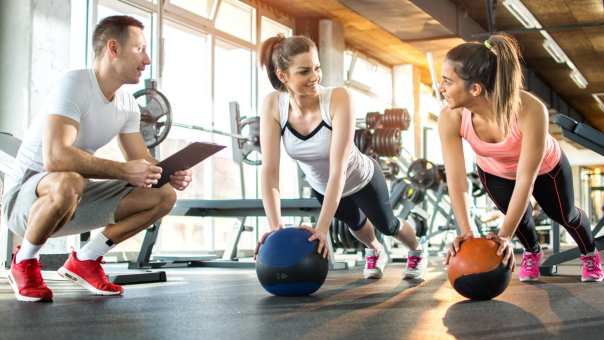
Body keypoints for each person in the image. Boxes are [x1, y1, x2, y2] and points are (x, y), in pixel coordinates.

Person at [2, 15, 193, 302]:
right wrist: (124, 171)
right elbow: (56, 157)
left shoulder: (128, 104)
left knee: (163, 195)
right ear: (113, 49)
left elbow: (141, 162)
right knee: (70, 180)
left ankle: (86, 259)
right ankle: (24, 261)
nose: (147, 59)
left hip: (72, 198)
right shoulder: (75, 83)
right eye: (139, 49)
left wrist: (169, 172)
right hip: (25, 203)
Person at [256, 34, 427, 280]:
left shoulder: (337, 98)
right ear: (283, 76)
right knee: (357, 226)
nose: (314, 77)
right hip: (321, 187)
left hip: (360, 178)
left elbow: (339, 168)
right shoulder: (273, 105)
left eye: (317, 68)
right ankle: (375, 250)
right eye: (304, 71)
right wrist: (275, 227)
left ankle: (417, 250)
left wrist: (322, 228)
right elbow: (269, 171)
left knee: (387, 226)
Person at [439, 33, 603, 282]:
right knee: (520, 222)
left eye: (447, 82)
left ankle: (589, 254)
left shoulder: (530, 110)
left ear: (475, 88)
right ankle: (532, 252)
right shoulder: (450, 118)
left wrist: (503, 236)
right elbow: (456, 180)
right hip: (495, 171)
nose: (441, 88)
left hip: (546, 168)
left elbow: (526, 181)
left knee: (564, 215)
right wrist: (467, 233)